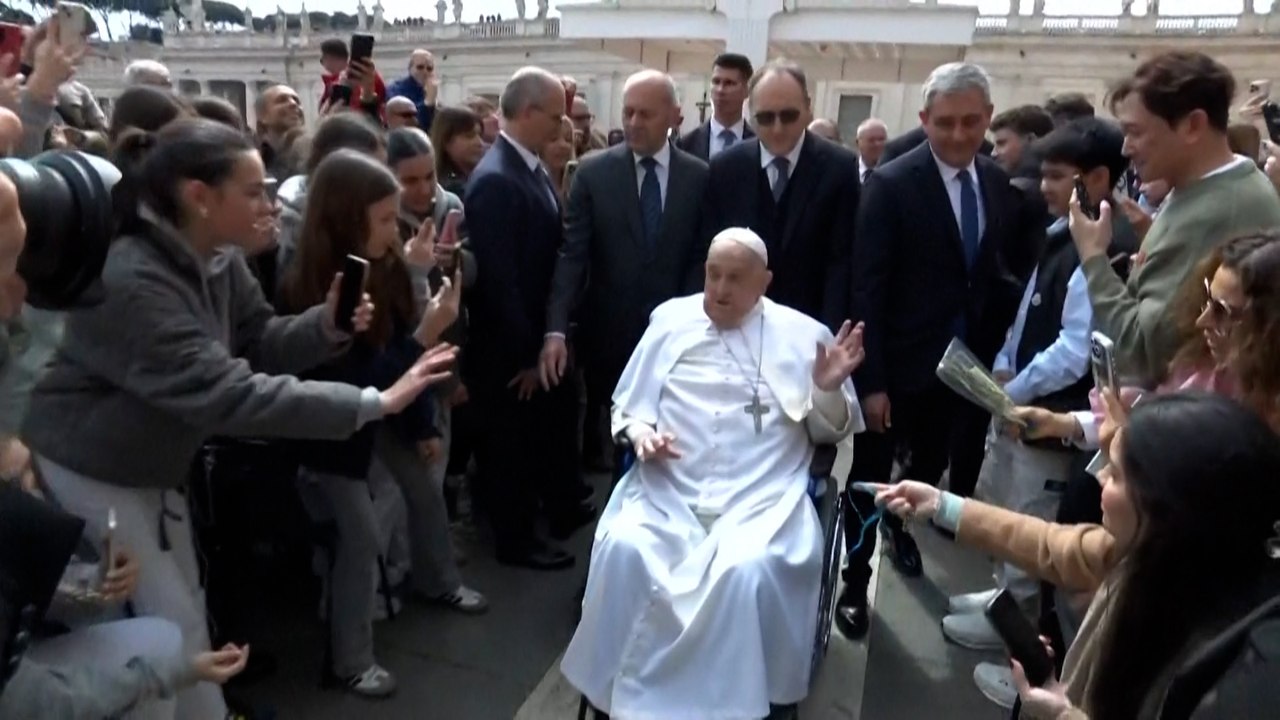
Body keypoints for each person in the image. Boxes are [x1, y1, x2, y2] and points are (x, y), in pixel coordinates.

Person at [20, 119, 454, 719]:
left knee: (184, 613)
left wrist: (324, 326)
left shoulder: (217, 257)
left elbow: (257, 339)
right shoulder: (131, 278)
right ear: (200, 197)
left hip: (150, 472)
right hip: (93, 474)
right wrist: (373, 404)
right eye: (253, 191)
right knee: (162, 624)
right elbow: (228, 391)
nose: (270, 201)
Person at [561, 227, 865, 719]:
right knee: (622, 549)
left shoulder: (805, 336)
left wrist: (826, 390)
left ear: (764, 282)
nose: (720, 289)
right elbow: (632, 408)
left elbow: (828, 433)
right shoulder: (669, 321)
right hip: (667, 493)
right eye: (712, 274)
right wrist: (642, 437)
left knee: (745, 573)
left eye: (735, 279)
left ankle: (732, 704)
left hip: (761, 502)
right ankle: (614, 691)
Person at [869, 392, 1280, 720]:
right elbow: (1047, 543)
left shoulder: (1223, 673)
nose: (1098, 477)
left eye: (1116, 473)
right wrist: (943, 504)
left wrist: (1061, 713)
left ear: (1166, 508)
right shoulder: (1147, 553)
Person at [839, 61, 1041, 639]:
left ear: (988, 119)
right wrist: (870, 381)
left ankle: (901, 530)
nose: (958, 135)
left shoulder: (998, 185)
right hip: (899, 366)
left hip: (962, 371)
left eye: (971, 123)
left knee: (927, 469)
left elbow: (995, 274)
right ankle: (855, 580)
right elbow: (867, 287)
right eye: (945, 123)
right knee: (872, 480)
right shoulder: (891, 183)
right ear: (925, 119)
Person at [1071, 51, 1280, 386]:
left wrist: (1093, 257)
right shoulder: (1207, 191)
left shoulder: (1220, 207)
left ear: (1192, 125)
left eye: (1136, 132)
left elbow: (1141, 353)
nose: (1126, 148)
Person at [540, 70, 709, 436]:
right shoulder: (593, 173)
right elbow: (572, 254)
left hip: (678, 342)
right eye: (628, 112)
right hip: (608, 339)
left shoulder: (698, 178)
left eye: (645, 114)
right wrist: (555, 331)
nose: (634, 123)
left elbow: (700, 257)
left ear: (673, 116)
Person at [464, 66, 585, 570]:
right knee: (510, 451)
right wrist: (529, 356)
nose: (561, 127)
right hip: (510, 355)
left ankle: (535, 520)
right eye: (555, 116)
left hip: (532, 341)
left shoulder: (524, 167)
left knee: (532, 444)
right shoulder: (497, 179)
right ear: (529, 112)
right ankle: (515, 543)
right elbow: (500, 284)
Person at [701, 58, 860, 331]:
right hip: (738, 325)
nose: (777, 128)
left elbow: (841, 262)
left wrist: (829, 334)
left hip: (809, 327)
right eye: (765, 117)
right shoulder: (725, 168)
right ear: (750, 113)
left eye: (788, 116)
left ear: (808, 108)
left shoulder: (839, 168)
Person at [676, 53, 755, 160]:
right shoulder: (685, 145)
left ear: (747, 90)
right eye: (716, 82)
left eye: (729, 83)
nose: (720, 90)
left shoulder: (759, 144)